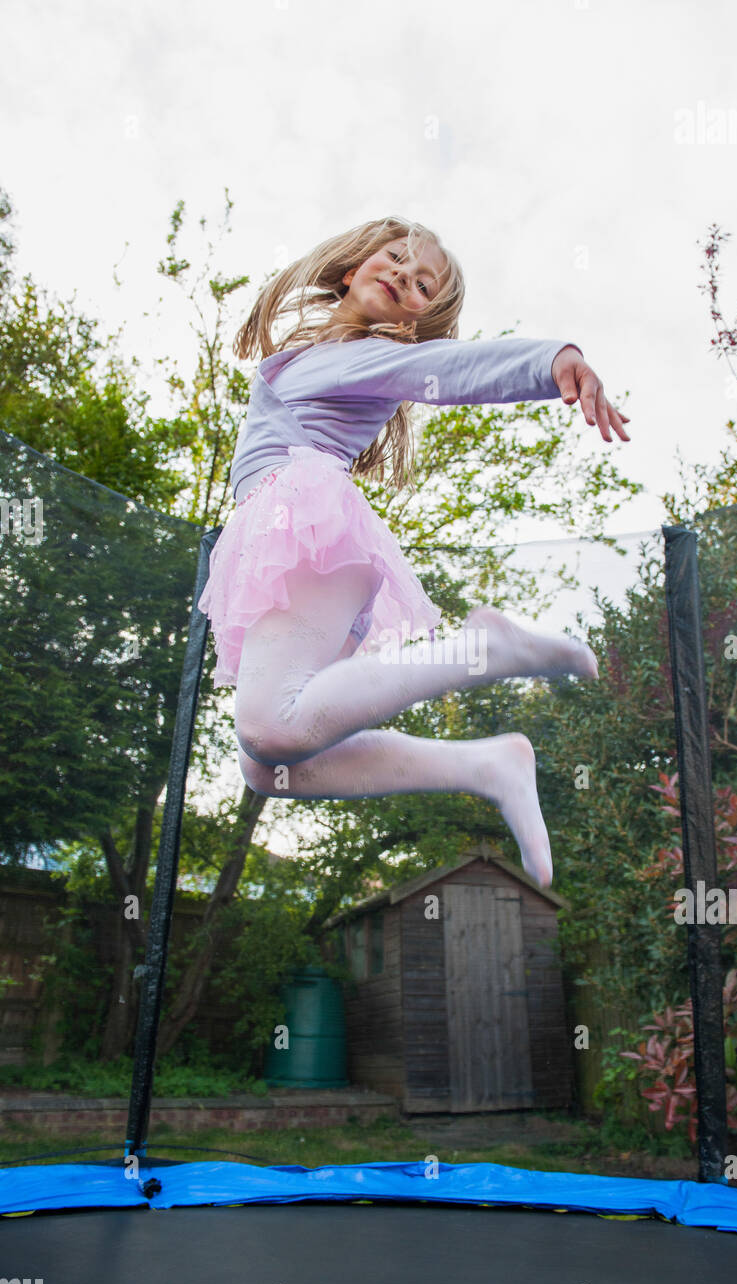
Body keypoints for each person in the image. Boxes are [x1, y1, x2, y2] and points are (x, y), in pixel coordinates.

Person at [197, 216, 630, 887]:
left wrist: (551, 363)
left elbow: (447, 368)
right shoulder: (324, 351)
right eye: (396, 259)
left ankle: (483, 650)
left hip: (302, 528)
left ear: (417, 317)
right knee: (269, 767)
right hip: (292, 542)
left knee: (273, 729)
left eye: (422, 282)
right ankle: (486, 766)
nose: (404, 274)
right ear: (351, 268)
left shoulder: (373, 357)